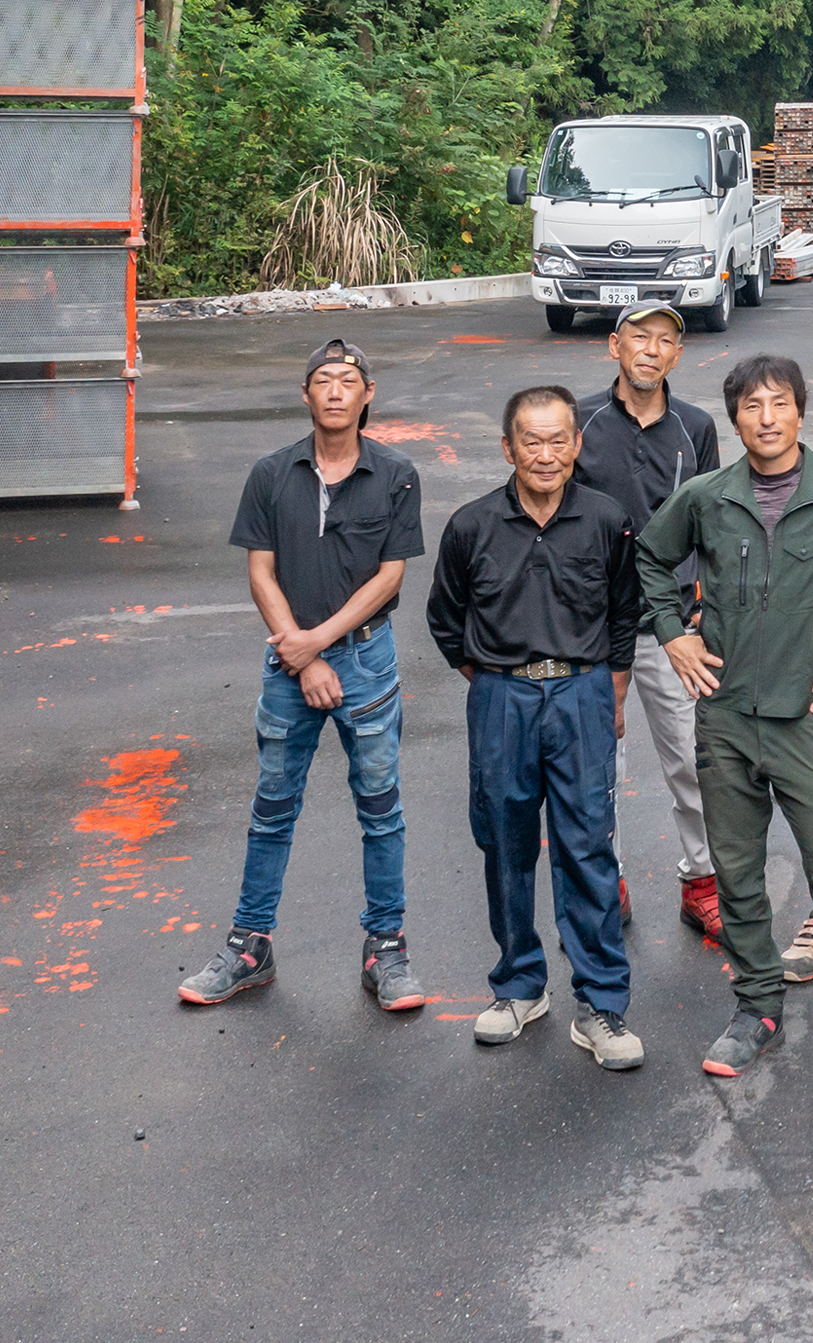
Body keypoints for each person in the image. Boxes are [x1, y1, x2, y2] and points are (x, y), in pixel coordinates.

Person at [634, 355, 813, 1096]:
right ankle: (756, 1008)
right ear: (735, 418)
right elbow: (651, 560)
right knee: (737, 878)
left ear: (799, 412)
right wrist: (673, 633)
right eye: (751, 405)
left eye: (778, 403)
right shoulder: (705, 497)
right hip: (724, 717)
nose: (765, 417)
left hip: (805, 719)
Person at [180, 339, 426, 1012]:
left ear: (368, 394)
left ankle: (387, 950)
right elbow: (260, 570)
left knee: (381, 808)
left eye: (349, 380)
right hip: (291, 663)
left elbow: (391, 575)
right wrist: (305, 656)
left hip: (366, 660)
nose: (337, 391)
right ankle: (249, 946)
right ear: (307, 395)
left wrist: (318, 644)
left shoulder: (397, 473)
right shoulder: (270, 473)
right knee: (272, 806)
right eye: (324, 380)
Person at [427, 387, 646, 1069]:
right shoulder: (471, 526)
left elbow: (623, 613)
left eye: (559, 441)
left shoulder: (607, 520)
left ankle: (602, 1003)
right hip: (502, 698)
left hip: (581, 694)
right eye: (532, 441)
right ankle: (520, 985)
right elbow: (445, 619)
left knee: (587, 845)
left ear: (577, 444)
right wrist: (496, 683)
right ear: (508, 449)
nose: (546, 455)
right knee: (505, 841)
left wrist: (607, 691)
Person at [571, 304, 723, 936]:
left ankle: (702, 882)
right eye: (640, 337)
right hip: (586, 627)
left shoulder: (696, 427)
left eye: (666, 341)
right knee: (596, 762)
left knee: (692, 758)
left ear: (677, 356)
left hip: (672, 628)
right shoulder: (577, 423)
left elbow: (716, 526)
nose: (651, 350)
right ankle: (604, 880)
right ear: (614, 346)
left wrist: (704, 613)